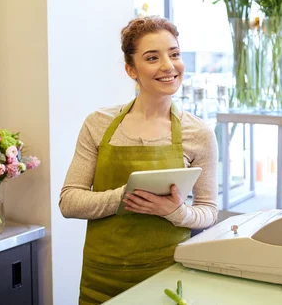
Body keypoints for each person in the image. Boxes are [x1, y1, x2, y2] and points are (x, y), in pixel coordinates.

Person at [59, 16, 218, 304]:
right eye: (152, 57)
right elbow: (69, 202)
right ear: (131, 69)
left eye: (174, 54)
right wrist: (125, 196)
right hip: (102, 278)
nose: (169, 66)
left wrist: (175, 212)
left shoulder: (199, 133)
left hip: (168, 274)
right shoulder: (98, 124)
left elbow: (208, 210)